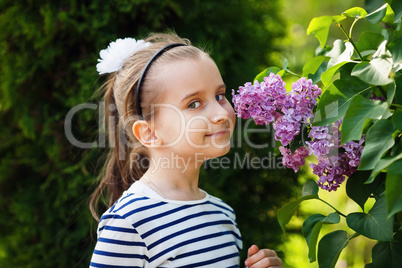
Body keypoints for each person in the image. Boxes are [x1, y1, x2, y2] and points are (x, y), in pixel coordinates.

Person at [89, 32, 283, 268]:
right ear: (149, 133)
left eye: (219, 96)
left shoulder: (223, 216)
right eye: (194, 104)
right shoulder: (130, 222)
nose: (222, 114)